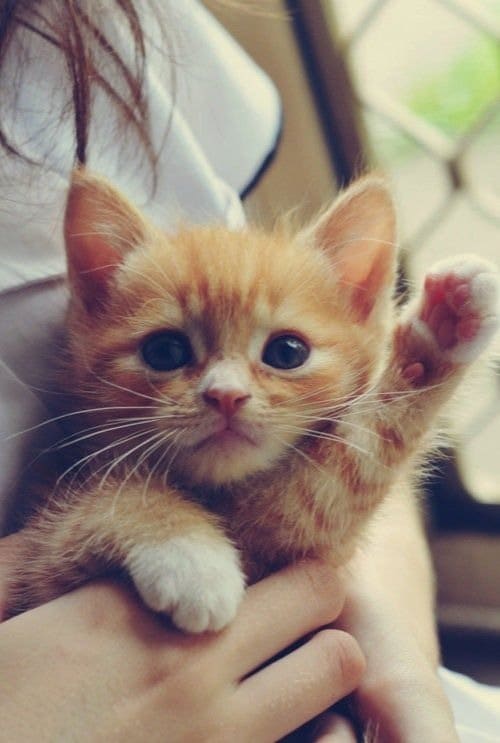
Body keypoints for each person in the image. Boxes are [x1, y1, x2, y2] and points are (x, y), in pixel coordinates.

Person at [0, 2, 497, 740]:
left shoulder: (94, 28)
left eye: (284, 353)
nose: (227, 389)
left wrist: (400, 680)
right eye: (169, 351)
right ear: (94, 297)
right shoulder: (101, 468)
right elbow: (68, 522)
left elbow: (313, 523)